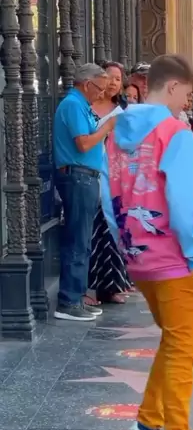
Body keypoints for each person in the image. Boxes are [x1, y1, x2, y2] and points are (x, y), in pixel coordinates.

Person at [101, 53, 193, 430]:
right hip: (173, 259)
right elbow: (180, 203)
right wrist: (192, 251)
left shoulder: (116, 130)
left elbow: (107, 196)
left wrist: (125, 244)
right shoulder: (175, 133)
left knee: (172, 342)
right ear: (173, 86)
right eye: (188, 94)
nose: (188, 103)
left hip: (137, 255)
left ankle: (146, 426)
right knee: (182, 352)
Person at [53, 63, 112, 321]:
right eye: (99, 88)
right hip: (78, 176)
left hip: (85, 177)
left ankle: (76, 296)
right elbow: (83, 143)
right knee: (78, 240)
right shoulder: (73, 105)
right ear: (87, 84)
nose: (102, 94)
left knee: (82, 239)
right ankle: (68, 301)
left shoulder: (81, 105)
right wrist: (106, 128)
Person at [87, 61, 132, 305]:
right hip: (90, 171)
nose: (114, 82)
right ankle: (88, 288)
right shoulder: (87, 106)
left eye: (118, 78)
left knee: (112, 229)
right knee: (92, 230)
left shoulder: (122, 111)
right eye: (110, 77)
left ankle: (111, 286)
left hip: (114, 174)